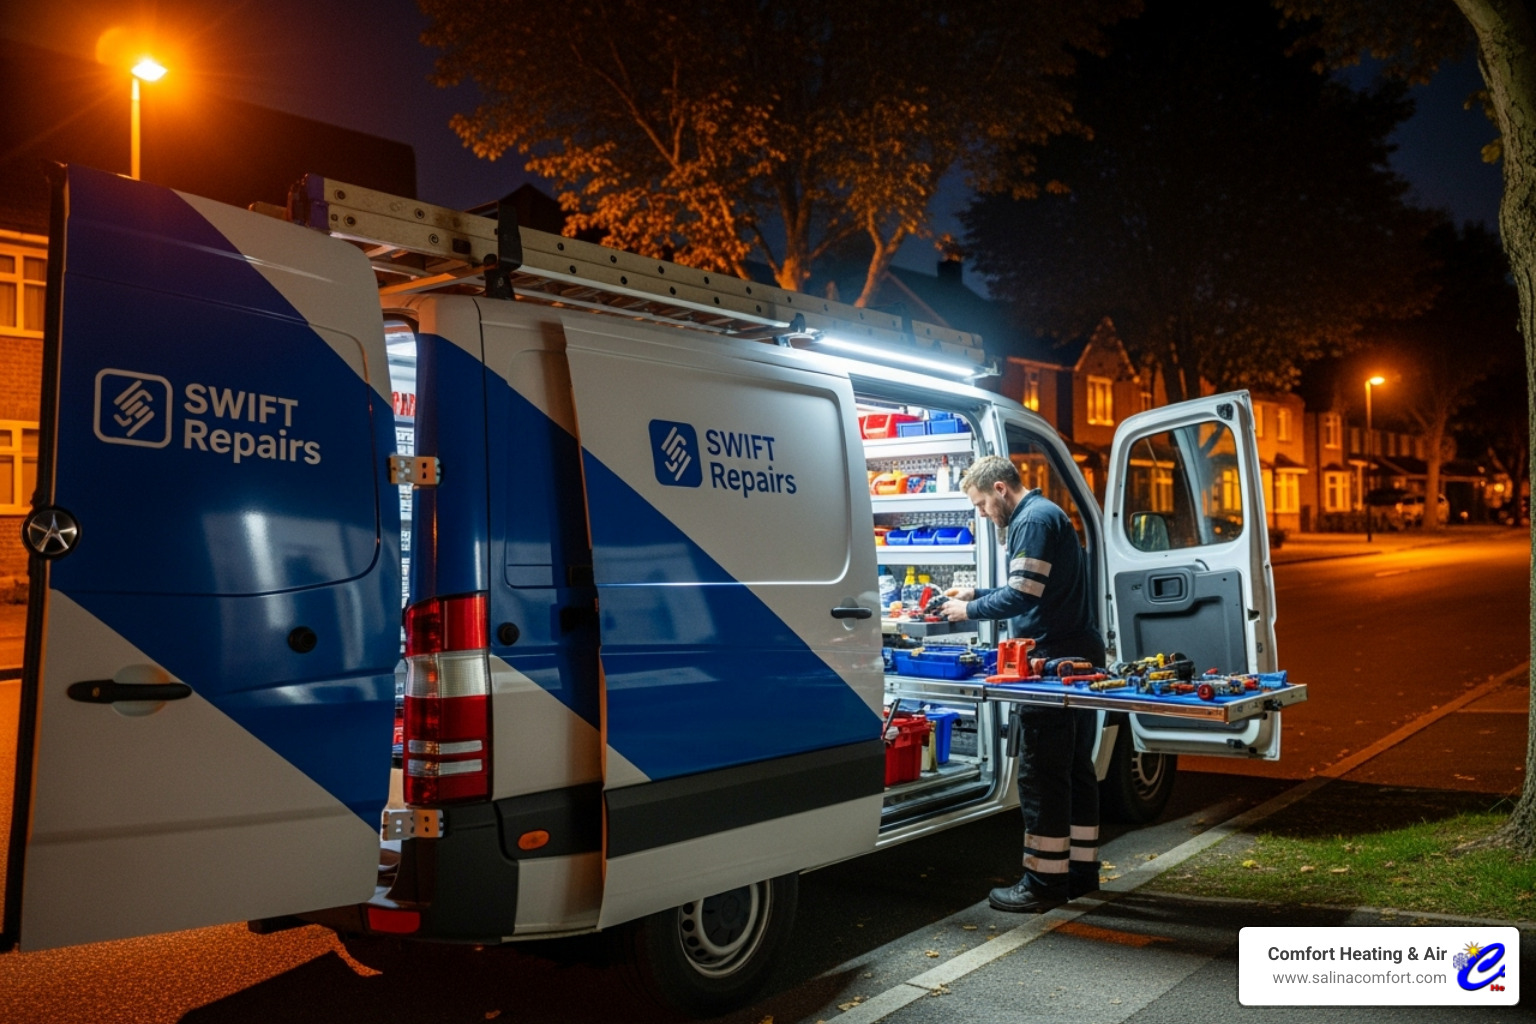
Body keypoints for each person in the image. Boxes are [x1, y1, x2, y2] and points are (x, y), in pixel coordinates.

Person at [939, 454, 1104, 913]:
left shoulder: (1030, 521)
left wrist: (966, 612)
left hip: (1053, 659)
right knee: (1074, 769)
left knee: (1041, 773)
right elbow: (1033, 585)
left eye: (980, 505)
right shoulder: (1046, 514)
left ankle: (1043, 884)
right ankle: (1080, 873)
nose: (982, 514)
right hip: (1079, 654)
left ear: (999, 490)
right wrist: (973, 592)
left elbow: (1022, 595)